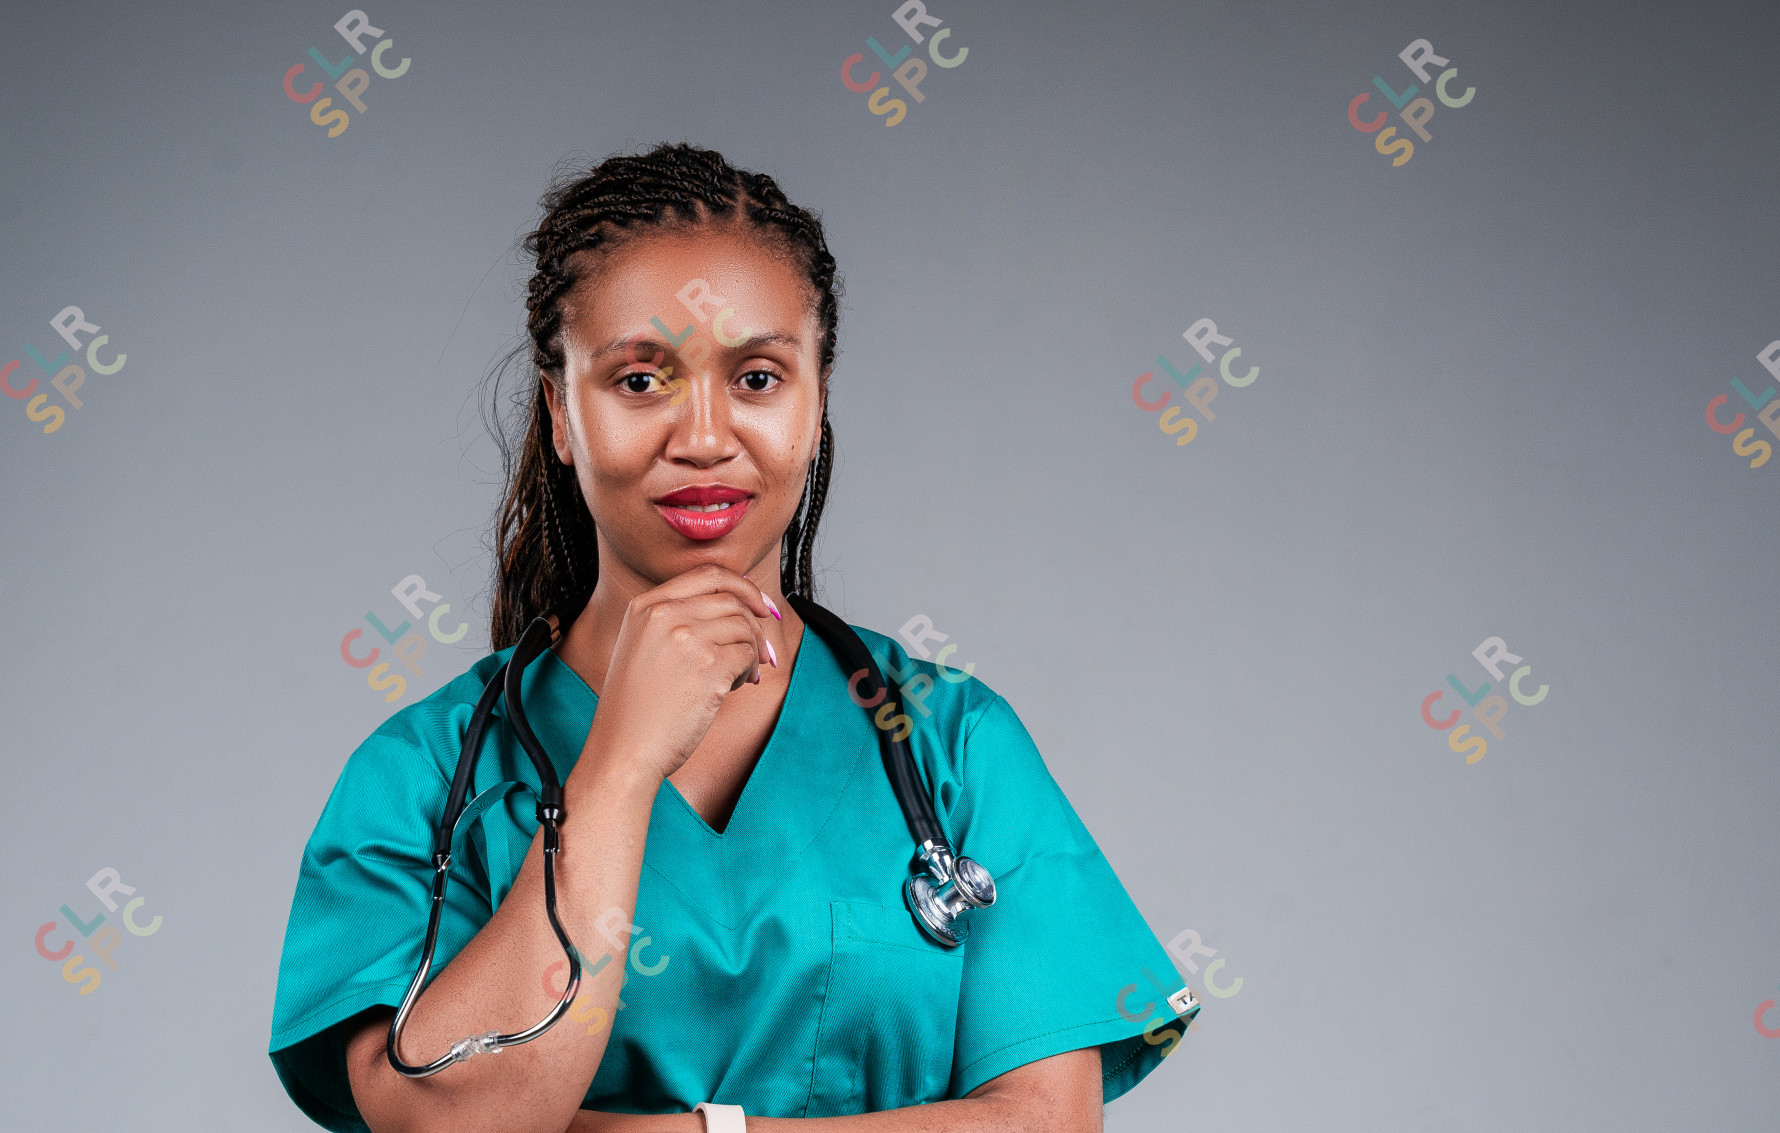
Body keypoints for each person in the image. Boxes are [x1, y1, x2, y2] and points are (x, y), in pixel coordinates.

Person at [267, 143, 1196, 1133]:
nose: (705, 436)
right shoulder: (421, 778)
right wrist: (617, 767)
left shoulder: (952, 742)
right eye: (638, 381)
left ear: (818, 399)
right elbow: (448, 1123)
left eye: (757, 376)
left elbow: (1048, 1123)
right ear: (560, 411)